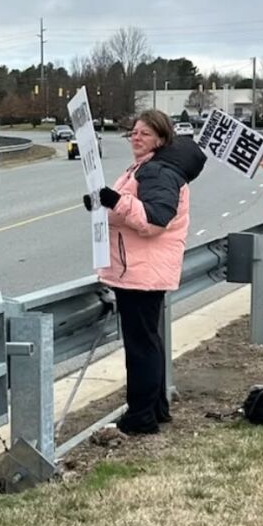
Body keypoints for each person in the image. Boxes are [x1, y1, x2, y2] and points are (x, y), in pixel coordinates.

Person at [86, 109, 205, 434]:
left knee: (141, 346)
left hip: (141, 271)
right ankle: (155, 408)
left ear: (162, 139)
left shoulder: (157, 172)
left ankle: (141, 416)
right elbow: (129, 210)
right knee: (147, 341)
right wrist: (103, 205)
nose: (137, 138)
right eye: (134, 132)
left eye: (145, 134)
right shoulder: (148, 168)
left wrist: (116, 202)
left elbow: (153, 221)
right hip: (139, 268)